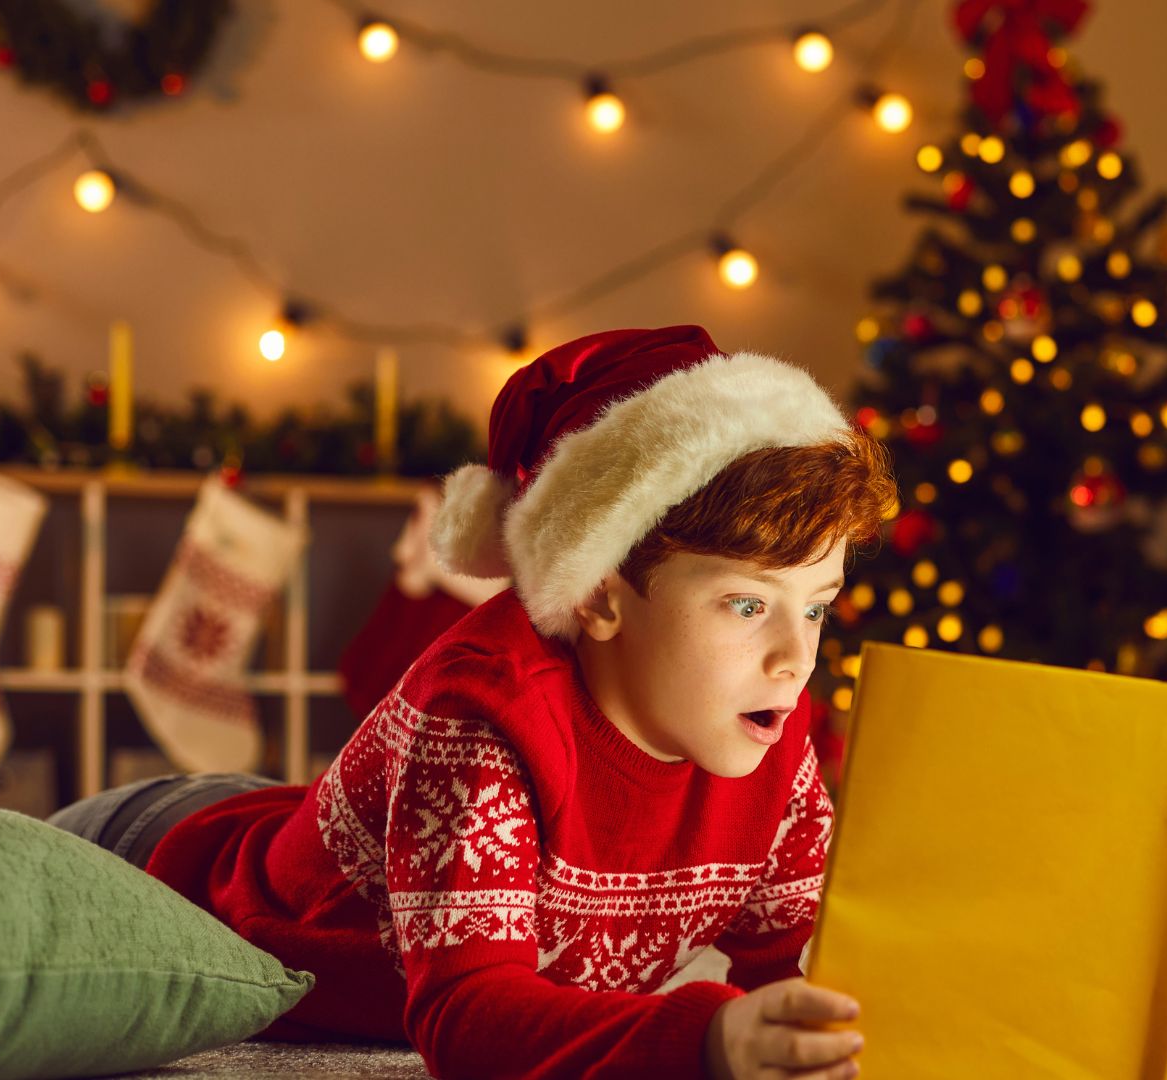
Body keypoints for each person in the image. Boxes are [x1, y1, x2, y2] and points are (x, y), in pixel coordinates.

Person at [49, 325, 896, 1080]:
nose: (796, 657)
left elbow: (801, 966)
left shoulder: (763, 729)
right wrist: (705, 1040)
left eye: (815, 606)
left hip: (274, 818)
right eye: (747, 605)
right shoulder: (486, 709)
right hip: (161, 865)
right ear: (600, 595)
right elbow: (465, 1017)